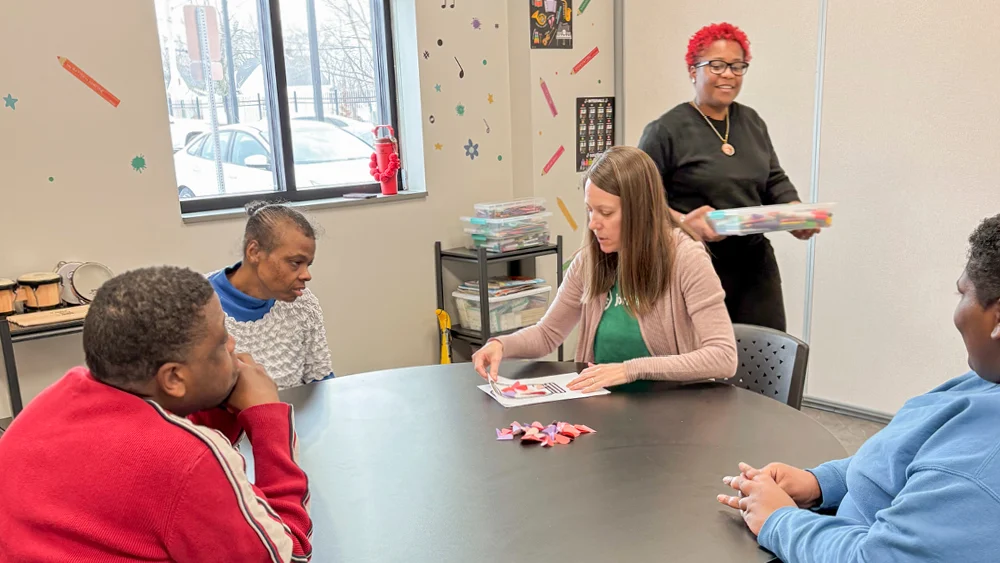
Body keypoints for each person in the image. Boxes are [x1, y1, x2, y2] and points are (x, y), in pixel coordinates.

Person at [717, 214, 1000, 562]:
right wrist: (822, 483)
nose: (957, 311)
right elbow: (901, 454)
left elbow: (874, 557)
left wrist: (780, 520)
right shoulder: (986, 382)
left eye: (962, 293)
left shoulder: (979, 470)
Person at [0, 266, 312, 562]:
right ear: (174, 378)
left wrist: (221, 400)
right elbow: (290, 555)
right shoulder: (190, 460)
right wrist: (267, 418)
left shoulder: (54, 399)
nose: (232, 345)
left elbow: (151, 439)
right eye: (220, 342)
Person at [473, 146, 737, 392]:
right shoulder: (589, 261)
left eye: (606, 213)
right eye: (590, 210)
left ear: (640, 212)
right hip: (601, 407)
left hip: (671, 410)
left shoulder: (686, 258)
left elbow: (723, 356)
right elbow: (547, 334)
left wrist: (630, 370)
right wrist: (501, 344)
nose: (593, 224)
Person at [637, 22, 818, 332]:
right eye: (717, 65)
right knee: (703, 367)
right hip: (694, 265)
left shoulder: (751, 121)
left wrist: (794, 212)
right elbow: (637, 201)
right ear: (693, 70)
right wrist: (681, 221)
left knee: (763, 363)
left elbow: (774, 179)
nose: (729, 75)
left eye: (737, 66)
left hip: (754, 267)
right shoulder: (665, 130)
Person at [209, 201, 334, 389]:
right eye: (295, 262)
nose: (306, 275)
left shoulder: (303, 305)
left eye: (308, 264)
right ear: (254, 252)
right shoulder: (198, 305)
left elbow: (321, 381)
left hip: (293, 416)